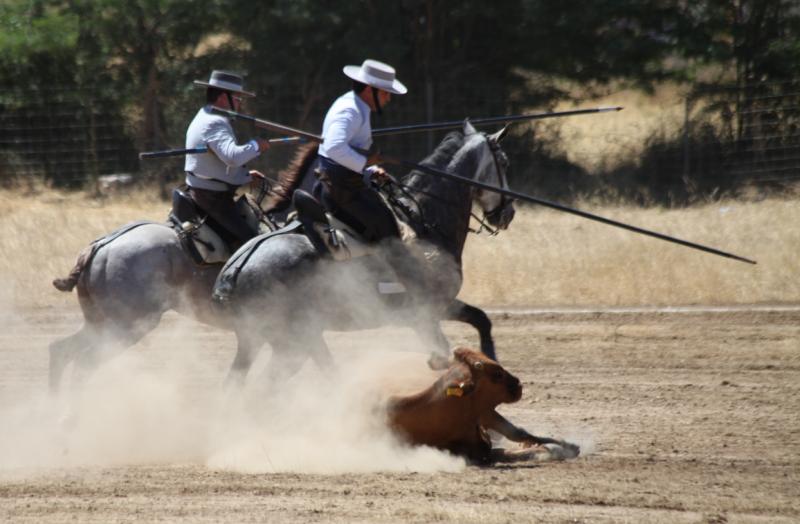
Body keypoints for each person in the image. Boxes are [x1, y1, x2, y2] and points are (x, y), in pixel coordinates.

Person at [313, 59, 407, 243]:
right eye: (386, 93)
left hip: (342, 184)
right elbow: (334, 147)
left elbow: (344, 150)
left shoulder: (356, 106)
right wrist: (365, 163)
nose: (388, 98)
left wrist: (369, 170)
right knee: (389, 232)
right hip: (342, 190)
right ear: (369, 89)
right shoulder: (351, 109)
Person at [184, 70, 271, 249]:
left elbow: (218, 160)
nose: (240, 104)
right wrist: (256, 146)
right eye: (238, 98)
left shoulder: (205, 115)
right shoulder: (215, 121)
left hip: (204, 190)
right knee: (254, 246)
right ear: (224, 97)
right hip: (212, 197)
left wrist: (245, 175)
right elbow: (232, 157)